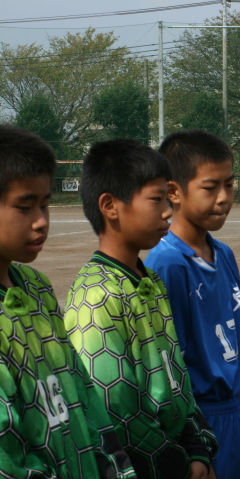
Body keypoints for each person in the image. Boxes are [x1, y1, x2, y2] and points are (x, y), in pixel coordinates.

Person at [63, 139, 218, 479]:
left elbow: (176, 378)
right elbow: (114, 409)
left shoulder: (150, 281)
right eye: (156, 199)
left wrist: (198, 449)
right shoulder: (97, 297)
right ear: (110, 206)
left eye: (167, 199)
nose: (167, 211)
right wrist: (179, 464)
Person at [0, 125, 135, 478]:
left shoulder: (36, 287)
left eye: (45, 205)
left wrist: (116, 468)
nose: (41, 222)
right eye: (24, 207)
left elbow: (82, 391)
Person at [145, 130, 240, 479]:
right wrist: (193, 447)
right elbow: (166, 368)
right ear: (173, 192)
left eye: (230, 184)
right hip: (199, 422)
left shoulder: (223, 254)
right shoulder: (167, 264)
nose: (224, 198)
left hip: (235, 413)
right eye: (210, 188)